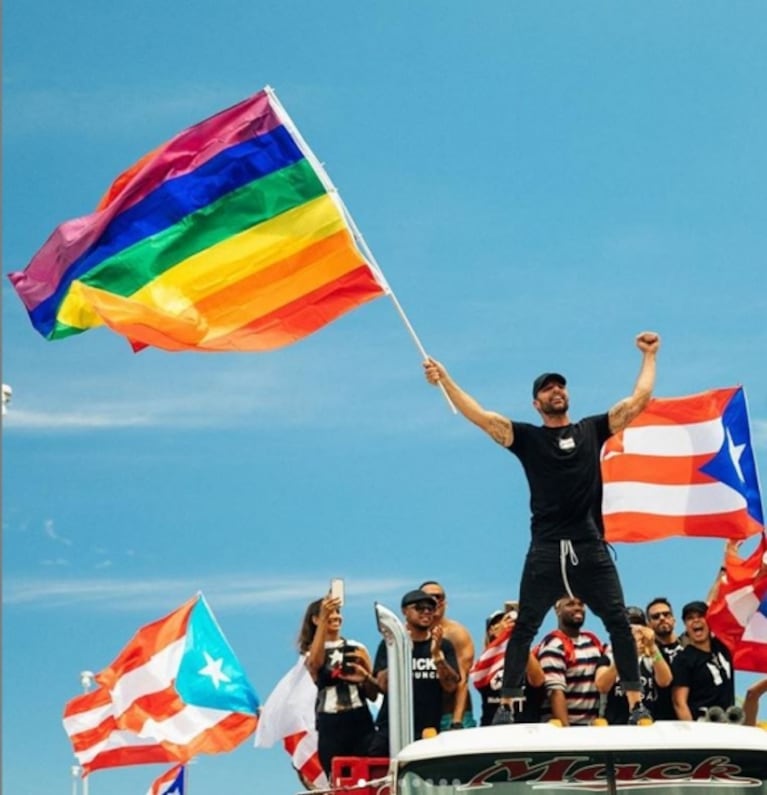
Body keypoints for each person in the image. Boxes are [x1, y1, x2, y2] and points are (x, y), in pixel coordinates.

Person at [423, 331, 661, 725]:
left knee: (619, 621)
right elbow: (482, 418)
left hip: (590, 547)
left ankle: (636, 704)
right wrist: (445, 380)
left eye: (560, 386)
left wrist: (650, 356)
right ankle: (506, 706)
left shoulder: (591, 430)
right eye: (547, 389)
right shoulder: (528, 438)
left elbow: (638, 402)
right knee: (524, 626)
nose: (556, 391)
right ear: (536, 403)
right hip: (547, 549)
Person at [369, 589, 460, 754]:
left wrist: (437, 657)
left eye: (430, 609)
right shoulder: (389, 645)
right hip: (391, 727)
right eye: (419, 607)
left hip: (428, 729)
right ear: (405, 611)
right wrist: (402, 650)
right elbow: (383, 686)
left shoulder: (444, 646)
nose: (426, 612)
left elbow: (451, 687)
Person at [301, 595, 378, 776]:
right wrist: (322, 623)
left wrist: (365, 677)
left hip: (359, 719)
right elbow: (315, 665)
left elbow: (374, 693)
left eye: (337, 612)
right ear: (315, 620)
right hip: (330, 723)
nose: (335, 616)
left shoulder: (357, 648)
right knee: (337, 778)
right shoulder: (310, 653)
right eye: (329, 613)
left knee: (366, 775)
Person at [596, 606, 672, 724]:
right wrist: (625, 656)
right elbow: (601, 686)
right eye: (630, 625)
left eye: (639, 624)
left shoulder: (653, 656)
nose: (636, 629)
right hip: (616, 727)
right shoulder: (609, 656)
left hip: (648, 725)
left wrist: (652, 648)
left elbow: (665, 681)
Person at [537, 596, 605, 726]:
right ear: (557, 610)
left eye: (580, 604)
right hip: (563, 729)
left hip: (591, 728)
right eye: (570, 604)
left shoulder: (593, 641)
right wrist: (567, 735)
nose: (577, 608)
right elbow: (555, 692)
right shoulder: (553, 645)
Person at [419, 580, 477, 728]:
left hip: (451, 714)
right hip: (421, 715)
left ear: (445, 602)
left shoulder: (457, 633)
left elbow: (462, 680)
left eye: (439, 597)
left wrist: (456, 721)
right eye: (429, 597)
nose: (435, 600)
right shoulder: (409, 635)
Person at [474, 608, 544, 725]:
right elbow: (479, 681)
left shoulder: (531, 656)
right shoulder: (486, 662)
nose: (508, 624)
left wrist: (519, 641)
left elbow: (538, 681)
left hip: (527, 727)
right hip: (493, 728)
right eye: (498, 622)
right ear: (491, 630)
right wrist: (503, 638)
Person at [671, 600, 735, 721]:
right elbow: (679, 702)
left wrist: (720, 580)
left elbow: (717, 602)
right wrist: (693, 734)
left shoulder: (722, 646)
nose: (696, 620)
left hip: (729, 723)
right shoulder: (683, 659)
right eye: (690, 618)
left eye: (701, 616)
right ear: (685, 625)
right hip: (702, 725)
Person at [645, 596, 685, 720]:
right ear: (649, 624)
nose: (662, 618)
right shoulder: (646, 652)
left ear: (673, 619)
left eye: (666, 614)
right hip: (659, 721)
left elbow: (706, 613)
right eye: (656, 617)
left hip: (688, 718)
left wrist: (719, 580)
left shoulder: (687, 644)